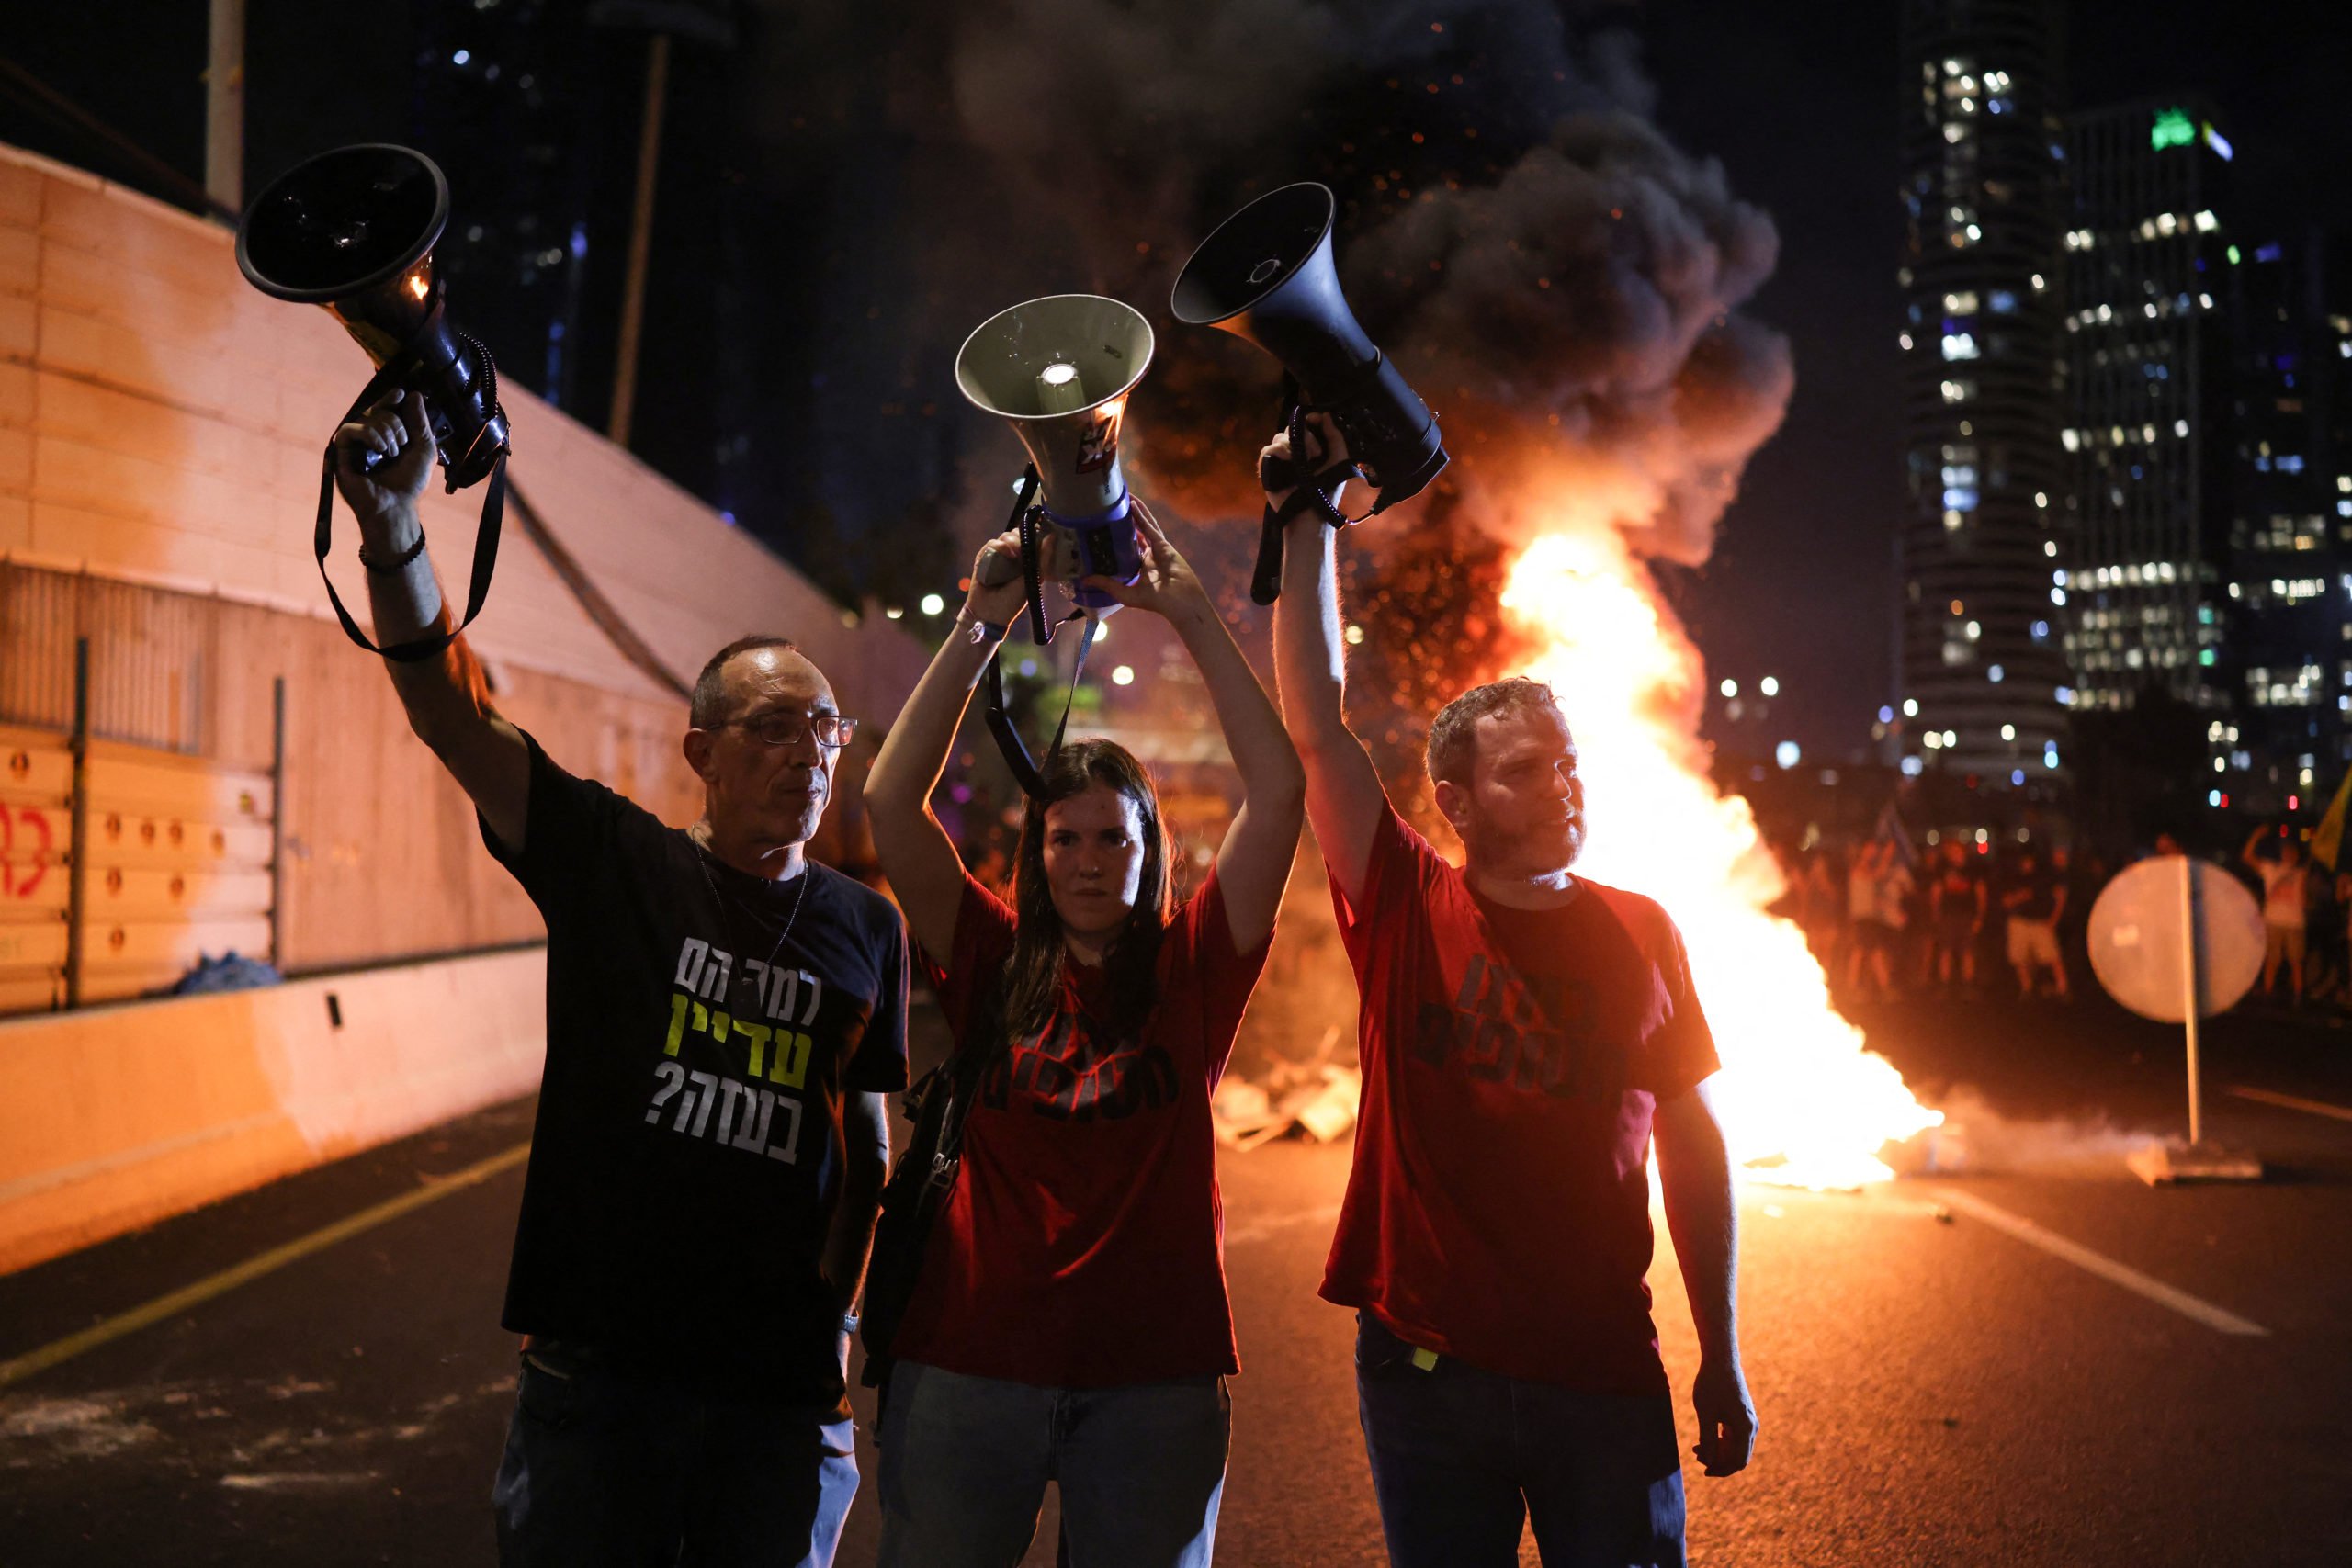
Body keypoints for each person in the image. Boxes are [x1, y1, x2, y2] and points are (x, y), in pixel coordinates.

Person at [333, 392, 903, 1567]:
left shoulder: (864, 925)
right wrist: (393, 529)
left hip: (776, 1404)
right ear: (702, 752)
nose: (808, 754)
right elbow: (453, 713)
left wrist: (837, 1326)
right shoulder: (615, 862)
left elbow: (872, 1154)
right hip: (601, 1390)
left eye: (828, 731)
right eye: (775, 727)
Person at [1266, 417, 1753, 1568]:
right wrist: (1305, 521)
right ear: (1457, 801)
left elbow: (1693, 1143)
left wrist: (1720, 1344)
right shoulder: (1400, 900)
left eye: (1569, 759)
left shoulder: (1644, 931)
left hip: (1600, 1366)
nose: (1563, 783)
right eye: (1525, 770)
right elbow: (1313, 724)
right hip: (1428, 1370)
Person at [861, 505, 1304, 1567]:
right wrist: (983, 616)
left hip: (1153, 1386)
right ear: (1037, 852)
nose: (1092, 858)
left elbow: (1280, 788)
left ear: (1153, 854)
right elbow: (887, 797)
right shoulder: (988, 954)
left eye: (1118, 836)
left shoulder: (1195, 969)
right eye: (1066, 837)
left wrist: (1192, 611)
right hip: (968, 1366)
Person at [2243, 825, 2311, 1006]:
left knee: (2296, 961)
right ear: (2281, 853)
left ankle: (2298, 995)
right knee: (2272, 960)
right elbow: (2248, 857)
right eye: (2286, 851)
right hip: (2273, 921)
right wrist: (2256, 835)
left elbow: (2305, 897)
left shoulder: (2301, 873)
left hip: (2295, 922)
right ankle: (2268, 992)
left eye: (2292, 852)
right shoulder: (2270, 868)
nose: (2288, 854)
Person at [1999, 848, 2069, 1000]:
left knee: (2051, 955)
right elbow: (2006, 902)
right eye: (2023, 861)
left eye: (2029, 861)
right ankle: (2026, 988)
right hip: (2019, 921)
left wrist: (2053, 920)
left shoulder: (2045, 878)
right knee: (2019, 956)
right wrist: (2019, 897)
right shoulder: (2013, 878)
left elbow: (2059, 898)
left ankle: (2062, 988)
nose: (2026, 864)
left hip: (2040, 922)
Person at [1927, 840, 1985, 995]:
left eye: (1957, 850)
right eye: (1951, 851)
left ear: (1963, 851)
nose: (1954, 853)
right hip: (1947, 915)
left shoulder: (1972, 869)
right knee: (1946, 950)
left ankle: (1968, 985)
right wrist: (1935, 914)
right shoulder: (1943, 869)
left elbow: (1981, 892)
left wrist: (1979, 916)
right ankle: (1944, 985)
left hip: (1967, 915)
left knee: (1967, 951)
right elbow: (1936, 891)